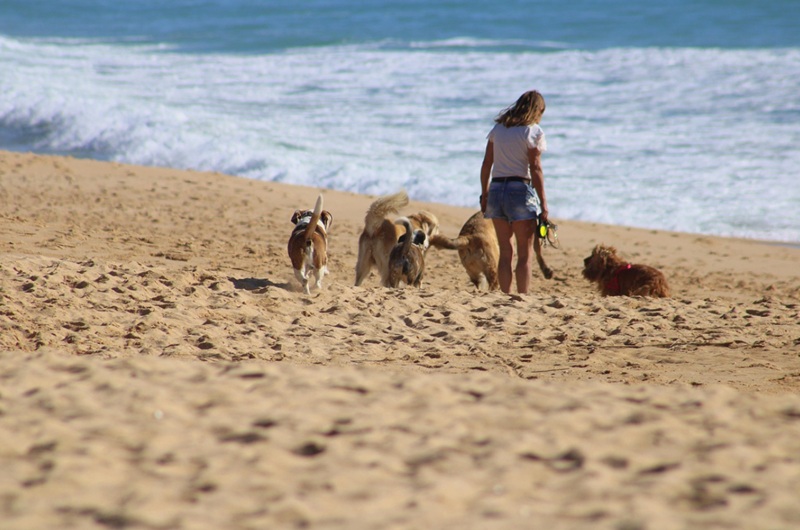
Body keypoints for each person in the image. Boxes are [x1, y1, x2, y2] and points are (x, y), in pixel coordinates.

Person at [480, 90, 549, 295]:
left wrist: (484, 195)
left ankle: (505, 295)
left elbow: (486, 165)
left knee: (505, 251)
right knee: (524, 254)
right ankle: (522, 297)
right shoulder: (533, 132)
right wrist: (544, 205)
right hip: (519, 190)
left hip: (497, 190)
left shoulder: (498, 129)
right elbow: (535, 168)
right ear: (537, 110)